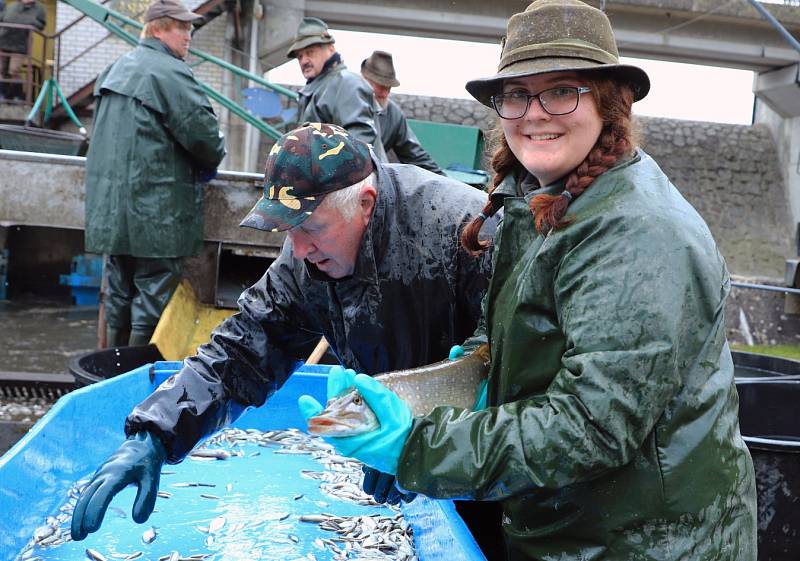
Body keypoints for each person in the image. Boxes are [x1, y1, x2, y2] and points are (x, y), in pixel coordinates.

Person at [304, 1, 759, 560]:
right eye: (517, 94)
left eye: (562, 90)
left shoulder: (639, 233)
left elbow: (592, 424)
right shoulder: (538, 199)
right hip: (566, 526)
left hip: (648, 541)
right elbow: (505, 343)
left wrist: (418, 447)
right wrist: (431, 392)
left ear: (609, 103)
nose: (535, 113)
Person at [70, 122, 495, 542]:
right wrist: (156, 433)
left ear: (365, 203)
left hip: (493, 462)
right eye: (289, 230)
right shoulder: (304, 261)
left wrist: (428, 443)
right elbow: (242, 349)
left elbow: (514, 368)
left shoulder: (467, 229)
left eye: (310, 228)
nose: (299, 248)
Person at [84, 0, 226, 348]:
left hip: (110, 214)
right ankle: (137, 374)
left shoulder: (114, 70)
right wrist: (209, 163)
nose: (189, 34)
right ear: (159, 28)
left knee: (118, 291)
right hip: (157, 213)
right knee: (153, 295)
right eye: (183, 27)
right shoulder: (170, 72)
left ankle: (111, 368)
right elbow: (206, 139)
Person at [287, 16, 388, 161]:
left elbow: (360, 144)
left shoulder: (346, 83)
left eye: (310, 52)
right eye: (300, 56)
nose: (304, 61)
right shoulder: (318, 89)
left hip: (355, 181)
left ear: (331, 49)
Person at [360, 50, 444, 175]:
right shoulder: (345, 104)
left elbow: (414, 154)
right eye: (381, 86)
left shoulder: (394, 114)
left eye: (388, 87)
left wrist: (444, 180)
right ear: (364, 80)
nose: (385, 93)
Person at [0, 0, 46, 100]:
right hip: (4, 41)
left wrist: (29, 21)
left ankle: (17, 96)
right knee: (2, 71)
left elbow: (41, 25)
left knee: (14, 70)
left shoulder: (39, 8)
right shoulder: (12, 5)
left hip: (20, 44)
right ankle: (5, 96)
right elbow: (3, 18)